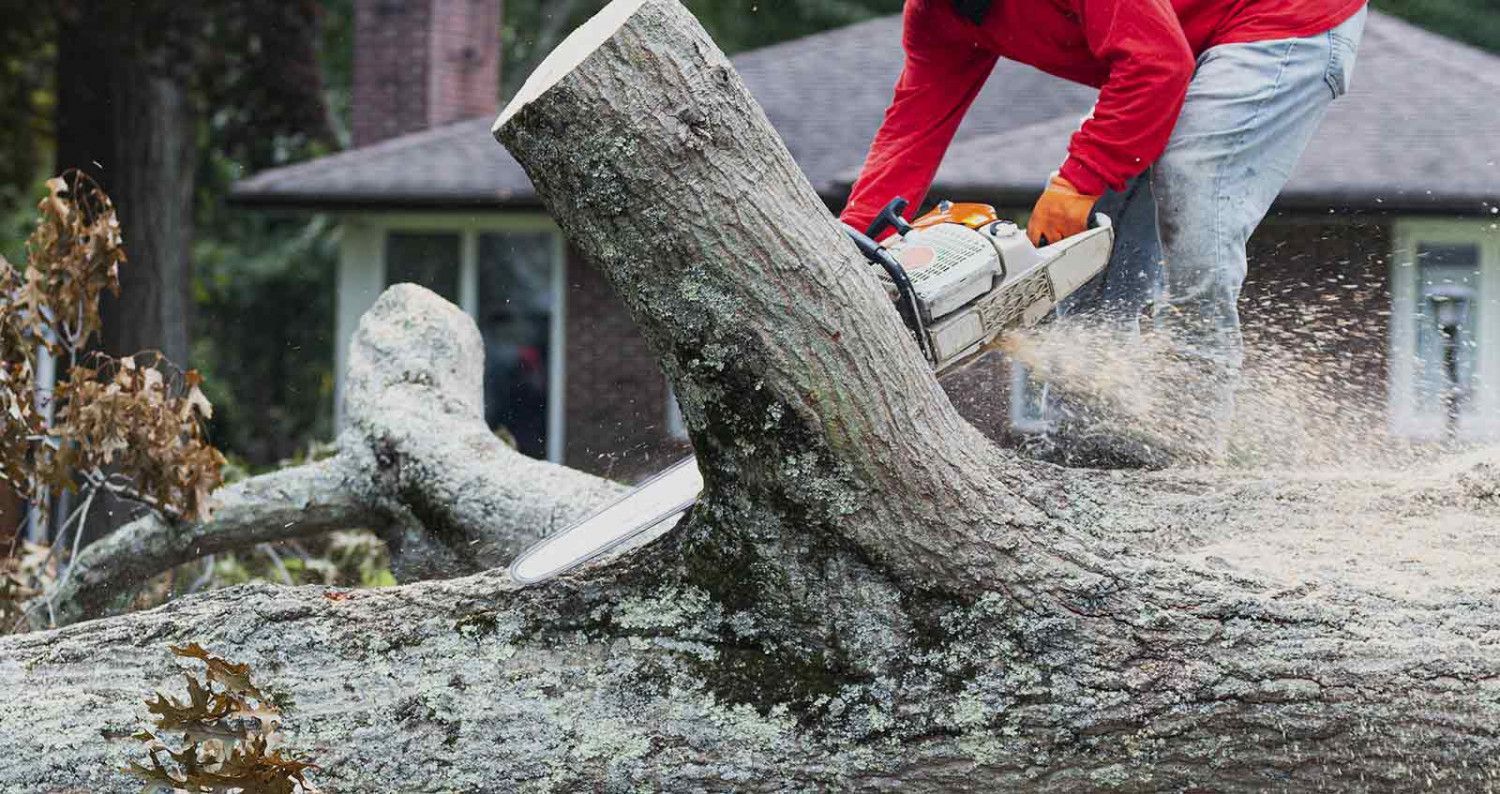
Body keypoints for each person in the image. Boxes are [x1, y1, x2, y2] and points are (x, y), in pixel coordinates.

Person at [841, 0, 1368, 466]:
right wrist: (846, 256)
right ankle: (1085, 439)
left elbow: (1157, 66)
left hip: (1282, 19)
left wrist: (1078, 180)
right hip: (1175, 43)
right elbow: (912, 131)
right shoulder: (940, 13)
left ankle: (1193, 429)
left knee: (1193, 177)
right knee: (1094, 237)